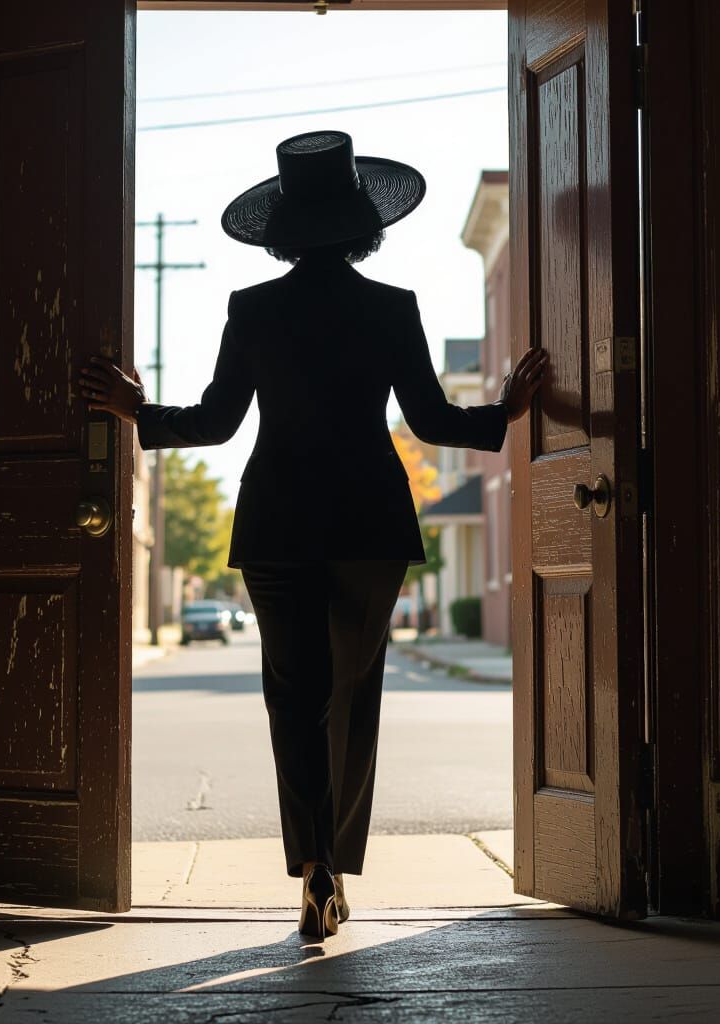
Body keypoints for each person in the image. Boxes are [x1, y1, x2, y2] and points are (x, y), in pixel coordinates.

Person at [79, 130, 548, 940]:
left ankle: (313, 867)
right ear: (362, 222)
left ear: (284, 229)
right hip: (371, 524)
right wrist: (504, 410)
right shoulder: (392, 307)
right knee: (350, 697)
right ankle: (333, 863)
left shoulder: (252, 309)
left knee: (293, 699)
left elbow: (218, 423)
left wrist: (137, 411)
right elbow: (430, 420)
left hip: (277, 522)